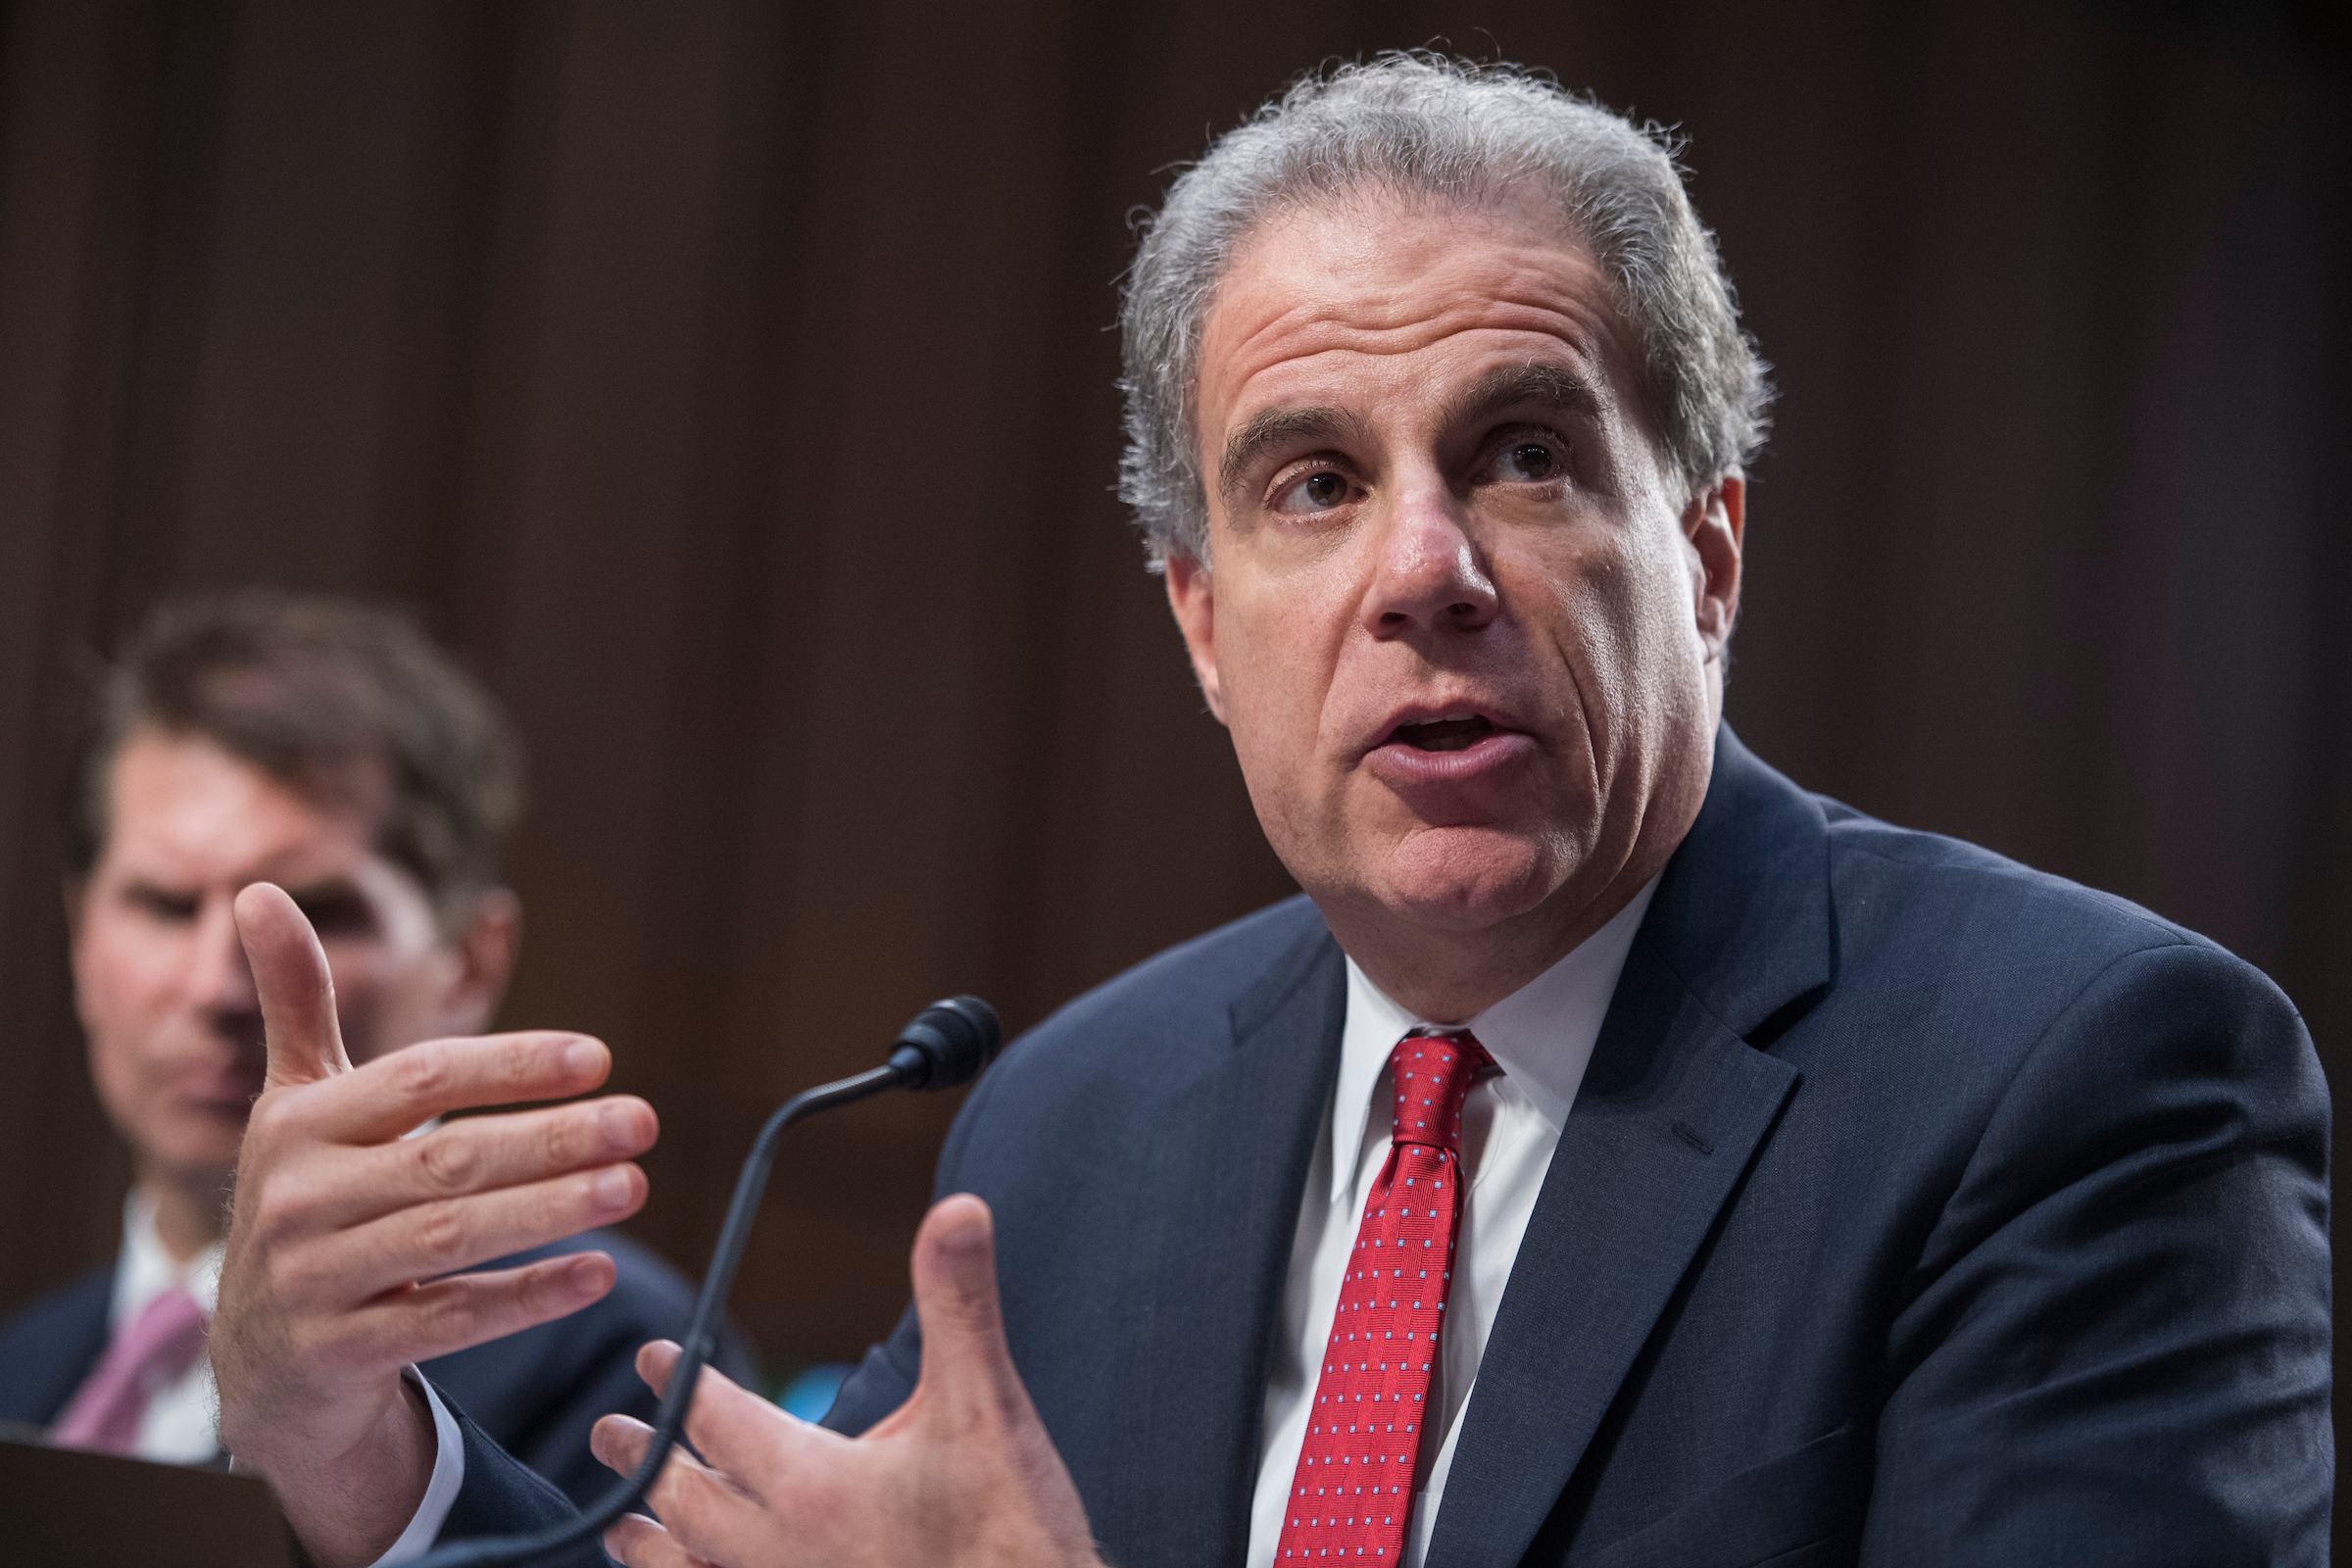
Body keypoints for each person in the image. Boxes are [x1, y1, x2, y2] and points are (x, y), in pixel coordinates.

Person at [208, 56, 2331, 1568]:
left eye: (1519, 450)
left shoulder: (2081, 1084)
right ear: (1208, 623)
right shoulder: (1079, 1114)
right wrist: (345, 1442)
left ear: (1706, 554)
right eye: (1314, 480)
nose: (1424, 568)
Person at [0, 591, 756, 1512]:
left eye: (317, 911)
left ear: (471, 965)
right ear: (81, 941)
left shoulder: (617, 1351)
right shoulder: (22, 1362)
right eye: (162, 905)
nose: (216, 987)